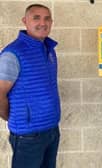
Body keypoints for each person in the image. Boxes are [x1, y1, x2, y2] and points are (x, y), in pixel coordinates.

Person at [0, 4, 61, 168]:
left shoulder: (49, 49)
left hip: (52, 130)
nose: (43, 23)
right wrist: (13, 117)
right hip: (28, 136)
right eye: (36, 18)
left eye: (47, 18)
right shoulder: (13, 54)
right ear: (24, 21)